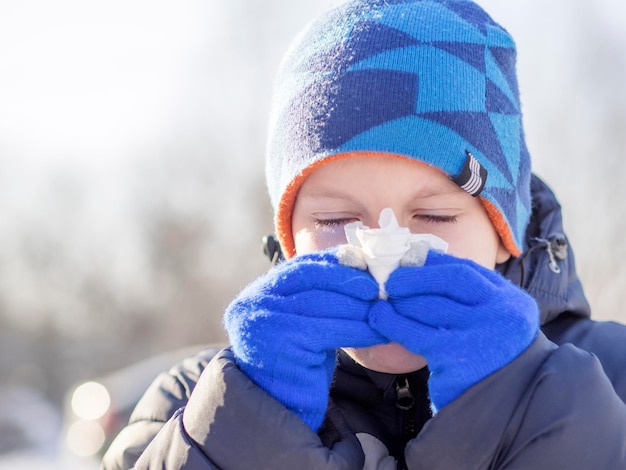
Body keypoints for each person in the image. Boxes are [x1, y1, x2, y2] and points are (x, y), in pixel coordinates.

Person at [102, 1, 626, 468]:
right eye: (334, 222)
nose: (385, 254)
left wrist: (520, 406)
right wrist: (247, 426)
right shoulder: (194, 403)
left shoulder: (610, 378)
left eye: (436, 217)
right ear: (288, 241)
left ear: (505, 233)